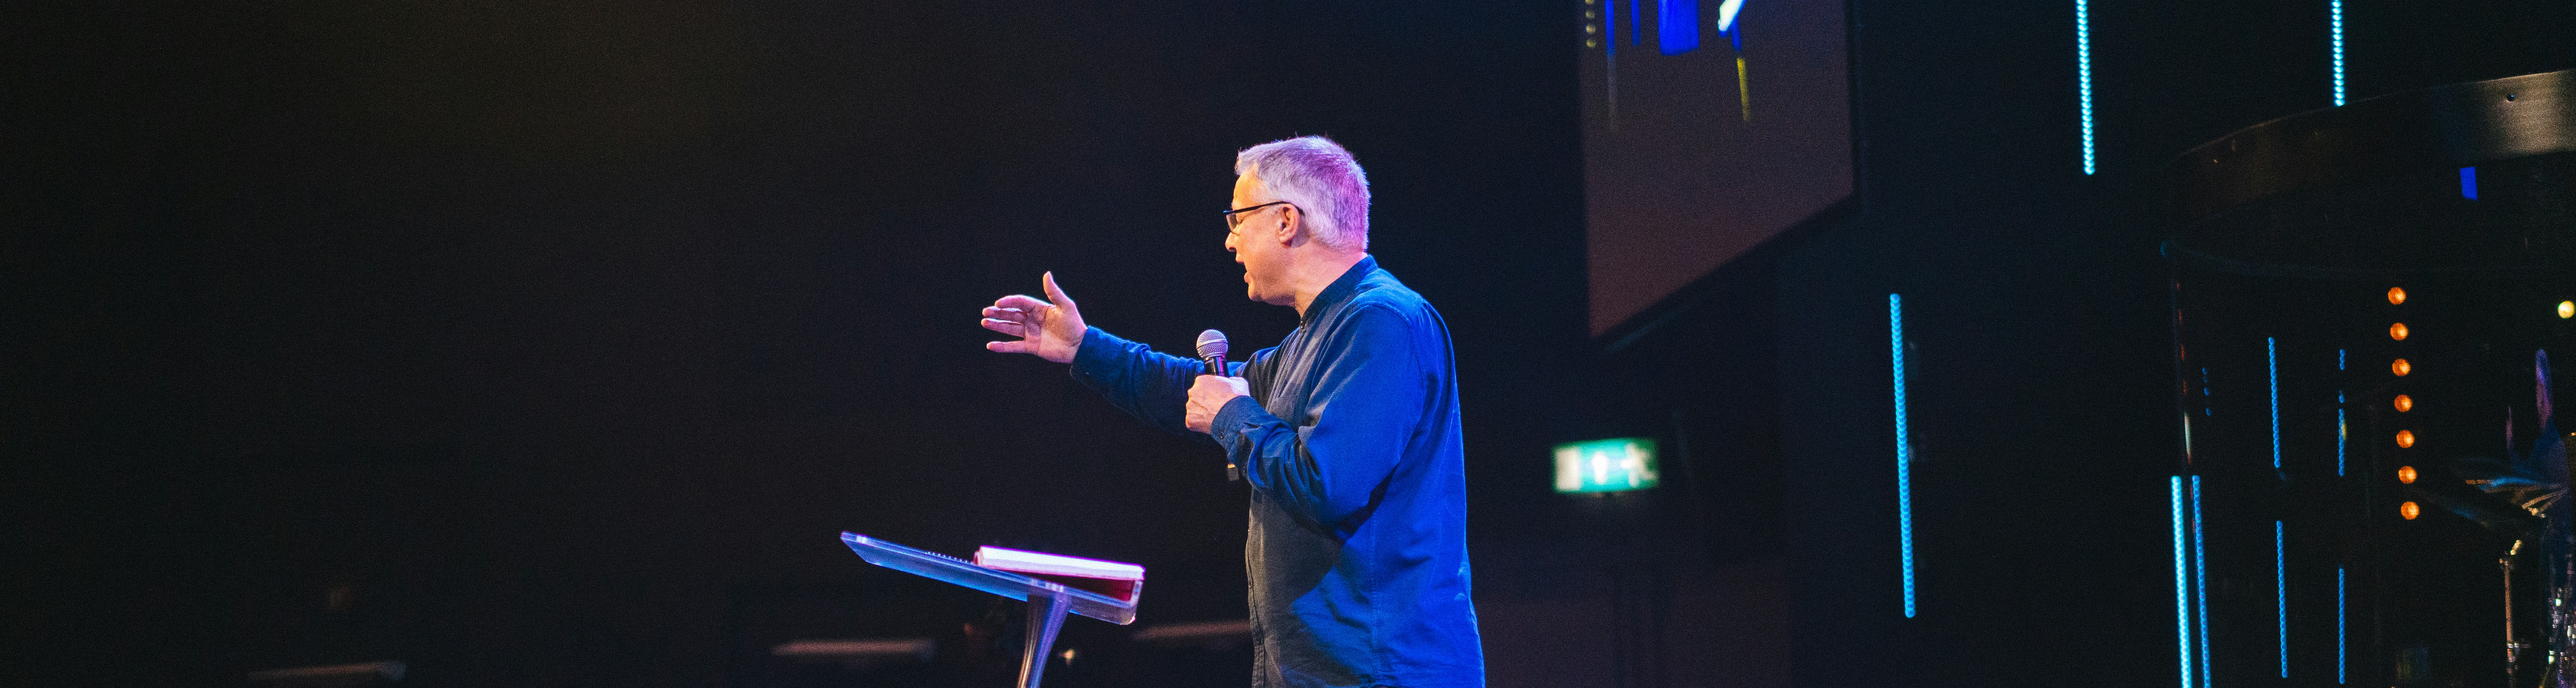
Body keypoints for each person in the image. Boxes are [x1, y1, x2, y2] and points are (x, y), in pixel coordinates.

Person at [977, 135, 1483, 687]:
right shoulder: (1313, 340)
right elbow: (1193, 392)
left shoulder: (1382, 322)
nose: (1229, 240)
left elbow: (1326, 483)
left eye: (1239, 218)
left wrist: (1236, 414)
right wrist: (1082, 347)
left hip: (1380, 674)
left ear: (1287, 221)